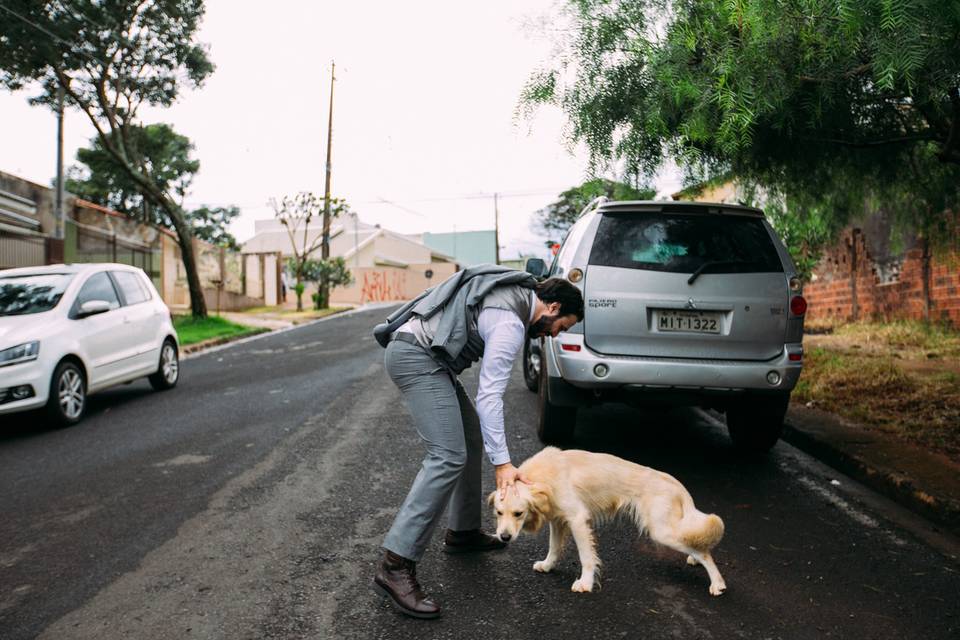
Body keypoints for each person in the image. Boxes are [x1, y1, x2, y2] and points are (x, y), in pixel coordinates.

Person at [371, 264, 585, 619]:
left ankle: (464, 532)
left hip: (429, 360)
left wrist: (496, 455)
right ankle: (395, 564)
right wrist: (503, 463)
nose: (552, 335)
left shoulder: (512, 298)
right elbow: (490, 395)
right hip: (416, 358)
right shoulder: (510, 322)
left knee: (470, 439)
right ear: (553, 308)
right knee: (447, 456)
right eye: (561, 328)